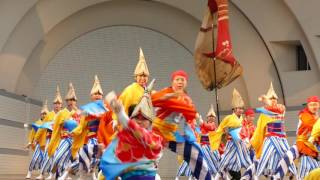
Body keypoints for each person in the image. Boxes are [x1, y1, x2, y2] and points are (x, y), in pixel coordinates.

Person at [25, 100, 49, 179]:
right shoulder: (36, 123)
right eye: (43, 113)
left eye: (45, 113)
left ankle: (42, 175)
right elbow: (32, 134)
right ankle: (29, 172)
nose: (44, 115)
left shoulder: (49, 123)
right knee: (34, 158)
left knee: (45, 160)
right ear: (40, 114)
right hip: (39, 144)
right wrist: (30, 142)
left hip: (47, 144)